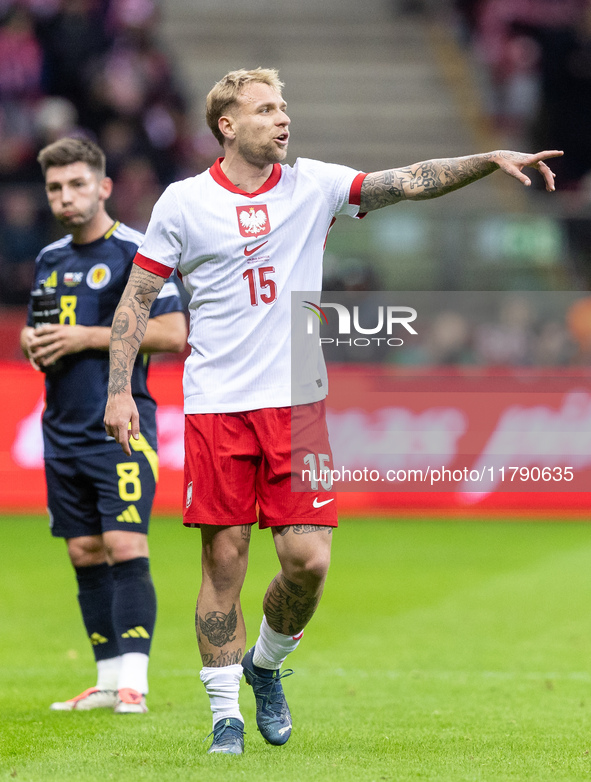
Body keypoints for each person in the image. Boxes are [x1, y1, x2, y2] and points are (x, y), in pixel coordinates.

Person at [103, 68, 562, 751]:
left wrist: (486, 160)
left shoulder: (312, 184)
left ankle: (265, 666)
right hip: (215, 406)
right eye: (264, 109)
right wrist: (118, 388)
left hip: (297, 401)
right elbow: (138, 300)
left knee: (307, 561)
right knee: (223, 561)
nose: (282, 119)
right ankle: (224, 716)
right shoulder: (184, 203)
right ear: (226, 126)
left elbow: (407, 180)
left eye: (283, 107)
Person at [20, 137, 187, 714]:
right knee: (85, 552)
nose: (66, 197)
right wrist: (30, 341)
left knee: (123, 542)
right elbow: (40, 328)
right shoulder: (49, 259)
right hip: (60, 428)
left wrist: (87, 337)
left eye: (77, 184)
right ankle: (108, 680)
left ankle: (135, 684)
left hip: (119, 426)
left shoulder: (137, 253)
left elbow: (173, 334)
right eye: (55, 188)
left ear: (104, 186)